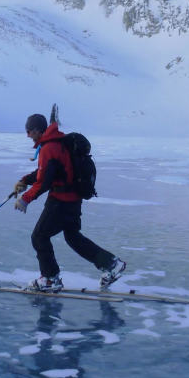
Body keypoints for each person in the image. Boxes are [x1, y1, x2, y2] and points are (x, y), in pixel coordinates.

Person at [14, 114, 125, 293]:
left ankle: (50, 279)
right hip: (73, 201)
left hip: (60, 202)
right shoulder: (57, 143)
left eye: (29, 131)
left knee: (39, 236)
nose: (27, 135)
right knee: (72, 236)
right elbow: (49, 171)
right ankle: (112, 264)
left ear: (37, 130)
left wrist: (26, 199)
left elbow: (44, 182)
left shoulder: (49, 148)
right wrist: (25, 180)